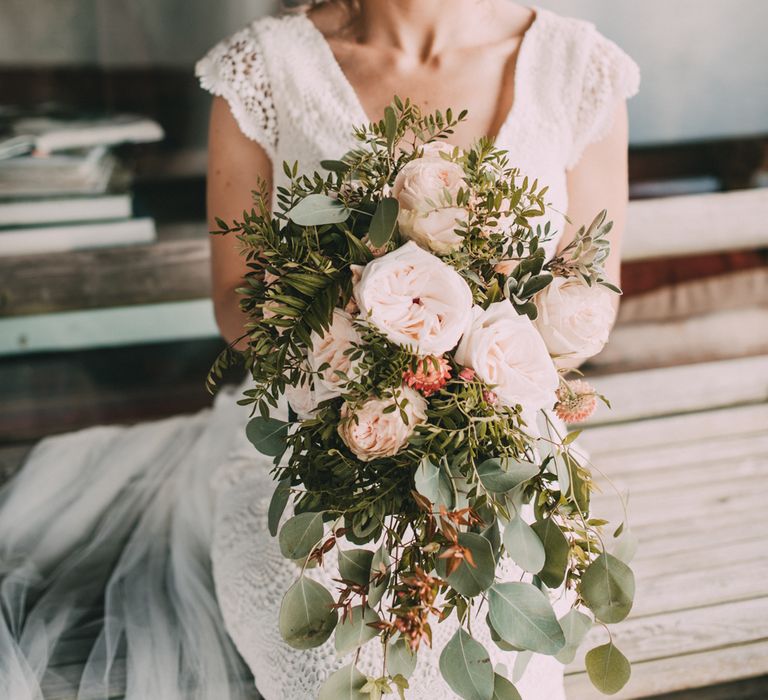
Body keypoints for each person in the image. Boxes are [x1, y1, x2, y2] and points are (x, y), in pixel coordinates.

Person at [0, 1, 639, 698]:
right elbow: (236, 297)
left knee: (492, 661)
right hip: (308, 447)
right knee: (327, 671)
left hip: (500, 458)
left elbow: (588, 297)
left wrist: (463, 386)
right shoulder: (266, 70)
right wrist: (369, 371)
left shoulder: (581, 69)